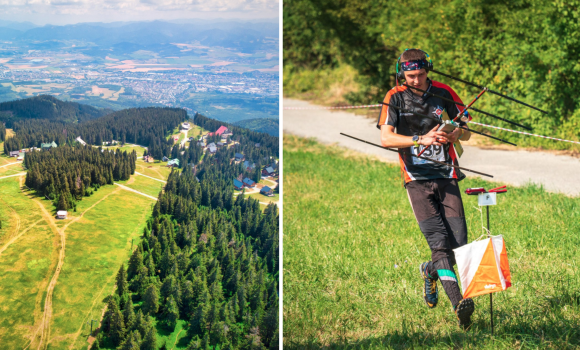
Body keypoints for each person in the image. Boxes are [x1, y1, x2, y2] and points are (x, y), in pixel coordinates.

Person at [376, 48, 475, 330]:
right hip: (415, 179)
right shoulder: (394, 95)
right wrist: (420, 138)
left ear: (427, 70)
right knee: (438, 243)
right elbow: (386, 138)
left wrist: (456, 132)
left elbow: (466, 129)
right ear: (402, 73)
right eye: (410, 76)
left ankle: (429, 271)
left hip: (447, 175)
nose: (415, 80)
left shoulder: (445, 91)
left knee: (458, 244)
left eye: (420, 75)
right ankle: (459, 305)